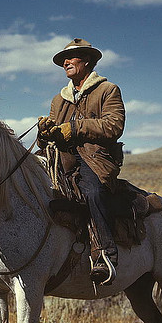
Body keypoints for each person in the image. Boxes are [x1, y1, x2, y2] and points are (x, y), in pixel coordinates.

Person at [37, 38, 126, 285]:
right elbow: (54, 134)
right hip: (61, 158)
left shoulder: (107, 90)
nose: (65, 63)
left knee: (94, 192)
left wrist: (75, 129)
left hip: (95, 158)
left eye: (71, 58)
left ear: (86, 61)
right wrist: (44, 133)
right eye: (63, 60)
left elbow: (114, 125)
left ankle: (105, 253)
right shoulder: (59, 99)